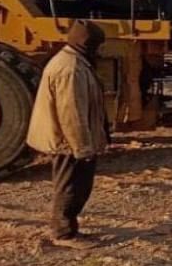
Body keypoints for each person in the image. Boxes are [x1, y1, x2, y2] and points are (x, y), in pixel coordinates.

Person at [26, 20, 110, 248]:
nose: (100, 51)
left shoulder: (75, 62)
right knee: (70, 186)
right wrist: (83, 148)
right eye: (97, 45)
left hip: (70, 140)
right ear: (86, 44)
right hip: (67, 142)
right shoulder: (70, 69)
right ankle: (64, 234)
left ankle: (67, 229)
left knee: (76, 185)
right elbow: (71, 114)